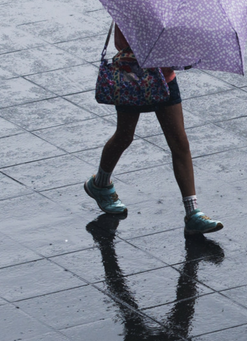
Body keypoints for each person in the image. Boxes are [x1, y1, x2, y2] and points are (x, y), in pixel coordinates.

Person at [84, 24, 223, 235]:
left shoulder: (168, 6)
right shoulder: (131, 2)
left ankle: (193, 213)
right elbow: (129, 43)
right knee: (124, 135)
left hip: (164, 78)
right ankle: (100, 184)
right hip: (133, 77)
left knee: (179, 142)